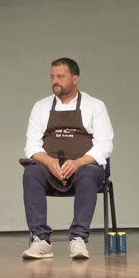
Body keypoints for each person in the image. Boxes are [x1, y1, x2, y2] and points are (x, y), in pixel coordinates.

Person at [21, 58, 113, 260]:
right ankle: (41, 240)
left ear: (75, 78)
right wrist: (49, 161)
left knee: (89, 172)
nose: (55, 81)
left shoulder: (94, 106)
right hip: (49, 167)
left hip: (83, 167)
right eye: (53, 76)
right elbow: (32, 146)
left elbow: (104, 145)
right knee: (31, 173)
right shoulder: (41, 107)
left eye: (60, 77)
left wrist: (79, 162)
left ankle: (78, 239)